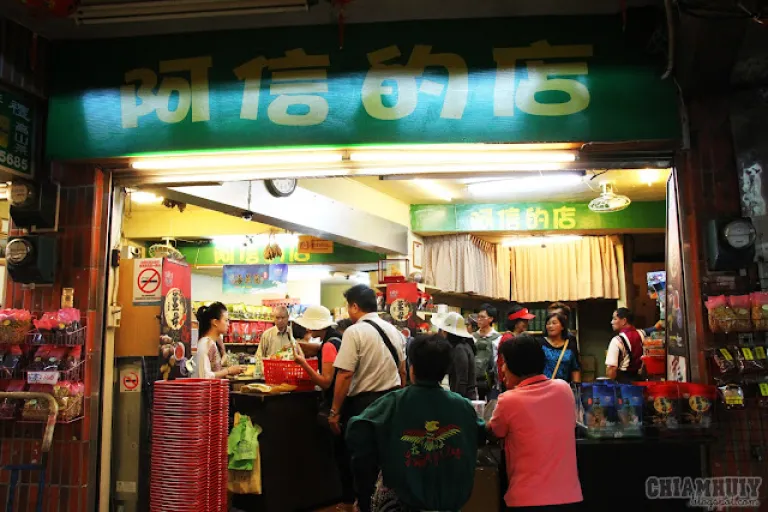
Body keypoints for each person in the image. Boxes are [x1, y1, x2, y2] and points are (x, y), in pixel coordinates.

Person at [346, 334, 486, 512]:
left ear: (412, 368)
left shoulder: (393, 403)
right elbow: (480, 433)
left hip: (404, 504)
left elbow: (357, 430)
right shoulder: (462, 406)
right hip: (451, 505)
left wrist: (364, 493)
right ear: (446, 370)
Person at [330, 284, 407, 512]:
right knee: (387, 459)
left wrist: (335, 411)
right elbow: (403, 371)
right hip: (392, 401)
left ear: (355, 306)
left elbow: (345, 374)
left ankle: (364, 505)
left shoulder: (354, 332)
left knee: (363, 461)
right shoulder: (394, 331)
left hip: (364, 405)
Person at [489, 335, 583, 511]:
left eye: (505, 363)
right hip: (569, 498)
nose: (502, 368)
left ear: (515, 366)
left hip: (526, 501)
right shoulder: (564, 389)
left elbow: (494, 432)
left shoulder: (509, 400)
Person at [292, 305, 354, 511]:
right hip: (349, 402)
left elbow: (326, 382)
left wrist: (303, 363)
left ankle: (347, 502)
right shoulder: (338, 339)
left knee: (340, 455)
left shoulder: (328, 345)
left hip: (336, 405)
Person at [433, 312, 478, 400]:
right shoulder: (463, 346)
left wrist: (456, 400)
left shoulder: (459, 349)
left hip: (464, 398)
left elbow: (462, 380)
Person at [193, 302, 243, 379]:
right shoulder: (205, 344)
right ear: (215, 322)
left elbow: (212, 372)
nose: (228, 324)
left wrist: (228, 373)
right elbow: (204, 376)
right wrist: (228, 371)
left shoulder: (210, 343)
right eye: (226, 320)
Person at [496, 304, 536, 392]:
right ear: (515, 322)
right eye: (524, 321)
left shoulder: (518, 337)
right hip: (511, 383)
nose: (527, 323)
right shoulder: (508, 339)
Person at [606, 308, 644, 383]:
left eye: (614, 319)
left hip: (623, 382)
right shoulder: (641, 334)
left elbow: (611, 369)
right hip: (639, 380)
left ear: (624, 321)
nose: (612, 322)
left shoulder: (617, 340)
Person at [540, 312, 581, 383]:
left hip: (564, 386)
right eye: (548, 324)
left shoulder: (570, 344)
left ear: (562, 327)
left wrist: (576, 386)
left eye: (554, 323)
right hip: (544, 385)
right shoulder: (540, 343)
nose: (550, 326)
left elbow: (575, 368)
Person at [473, 304, 502, 399]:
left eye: (482, 317)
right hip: (474, 380)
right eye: (478, 317)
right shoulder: (472, 337)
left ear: (491, 319)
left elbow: (497, 361)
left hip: (491, 382)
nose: (479, 319)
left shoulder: (498, 338)